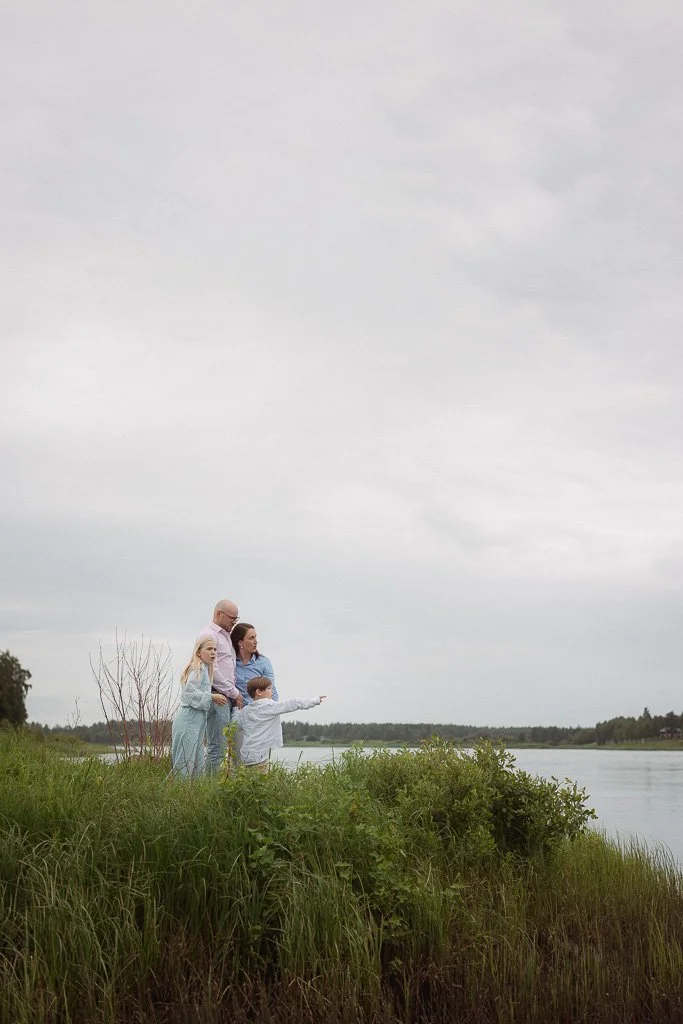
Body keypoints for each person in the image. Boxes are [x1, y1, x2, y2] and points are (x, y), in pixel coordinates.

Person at [233, 675, 326, 773]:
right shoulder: (269, 706)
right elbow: (293, 704)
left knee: (248, 785)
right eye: (269, 689)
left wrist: (235, 710)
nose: (271, 692)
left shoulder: (245, 710)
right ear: (259, 692)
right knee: (261, 785)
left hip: (246, 755)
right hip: (261, 756)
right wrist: (315, 700)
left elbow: (237, 726)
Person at [169, 636, 229, 777]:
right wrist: (212, 696)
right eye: (209, 649)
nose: (213, 652)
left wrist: (210, 696)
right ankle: (177, 797)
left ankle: (194, 798)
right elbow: (189, 692)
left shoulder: (206, 671)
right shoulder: (199, 668)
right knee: (183, 766)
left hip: (195, 723)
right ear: (198, 652)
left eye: (215, 649)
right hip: (188, 721)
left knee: (196, 765)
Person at [201, 599, 244, 772]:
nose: (234, 621)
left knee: (222, 748)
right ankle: (208, 791)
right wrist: (234, 693)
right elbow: (213, 671)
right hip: (218, 695)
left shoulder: (225, 635)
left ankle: (213, 787)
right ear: (219, 614)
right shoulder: (208, 635)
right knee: (216, 749)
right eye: (232, 617)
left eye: (236, 618)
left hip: (226, 697)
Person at [231, 623, 279, 703]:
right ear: (240, 642)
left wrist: (274, 710)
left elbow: (271, 689)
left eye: (255, 637)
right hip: (237, 711)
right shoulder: (230, 662)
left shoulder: (263, 662)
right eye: (251, 638)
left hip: (258, 711)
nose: (256, 641)